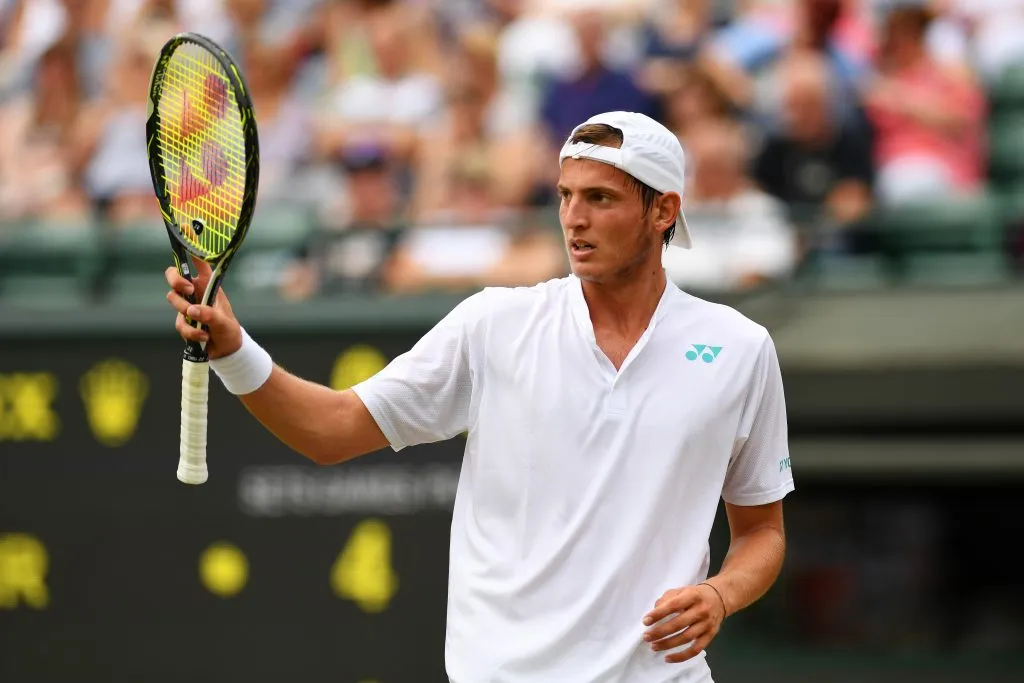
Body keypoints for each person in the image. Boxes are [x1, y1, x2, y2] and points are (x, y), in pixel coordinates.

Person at [164, 111, 795, 683]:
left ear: (663, 212)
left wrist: (720, 595)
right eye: (566, 197)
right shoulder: (495, 324)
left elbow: (761, 531)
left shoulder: (740, 349)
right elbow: (330, 430)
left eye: (600, 199)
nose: (575, 218)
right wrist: (233, 349)